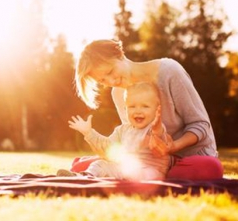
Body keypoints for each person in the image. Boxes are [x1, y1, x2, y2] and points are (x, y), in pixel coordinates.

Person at [70, 39, 223, 180]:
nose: (111, 81)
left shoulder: (169, 72)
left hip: (189, 157)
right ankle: (146, 175)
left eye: (110, 71)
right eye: (102, 80)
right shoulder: (118, 93)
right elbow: (131, 138)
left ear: (120, 55)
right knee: (80, 166)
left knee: (211, 169)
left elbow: (201, 124)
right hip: (149, 163)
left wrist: (172, 147)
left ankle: (150, 175)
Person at [57, 82, 172, 180]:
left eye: (145, 106)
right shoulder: (122, 130)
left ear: (157, 110)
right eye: (132, 106)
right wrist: (88, 132)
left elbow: (159, 138)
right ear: (125, 109)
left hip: (149, 171)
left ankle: (129, 182)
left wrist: (157, 127)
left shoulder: (155, 127)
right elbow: (106, 147)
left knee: (148, 174)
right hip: (126, 169)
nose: (138, 111)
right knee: (100, 164)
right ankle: (84, 177)